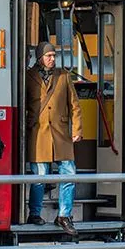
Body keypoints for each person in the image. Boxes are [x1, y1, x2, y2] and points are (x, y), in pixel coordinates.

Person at [25, 42, 81, 237]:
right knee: (39, 177)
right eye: (48, 56)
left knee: (69, 174)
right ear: (40, 57)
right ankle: (34, 214)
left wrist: (77, 129)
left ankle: (64, 215)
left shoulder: (64, 76)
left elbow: (74, 104)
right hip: (38, 132)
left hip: (61, 133)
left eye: (54, 56)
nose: (52, 59)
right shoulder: (28, 76)